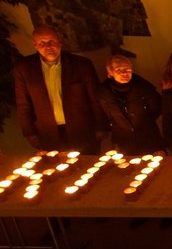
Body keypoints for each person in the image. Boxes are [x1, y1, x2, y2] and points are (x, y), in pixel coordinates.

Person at [13, 26, 107, 154]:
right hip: (48, 133)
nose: (48, 46)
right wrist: (29, 132)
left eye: (52, 41)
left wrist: (101, 126)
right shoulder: (24, 69)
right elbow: (23, 104)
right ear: (35, 45)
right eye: (42, 43)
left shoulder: (81, 65)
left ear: (60, 41)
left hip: (82, 131)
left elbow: (95, 98)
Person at [96, 55, 164, 155]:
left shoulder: (143, 87)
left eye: (127, 69)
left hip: (148, 137)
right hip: (123, 140)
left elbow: (156, 107)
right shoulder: (104, 92)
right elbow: (104, 114)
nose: (124, 73)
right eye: (119, 69)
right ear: (110, 72)